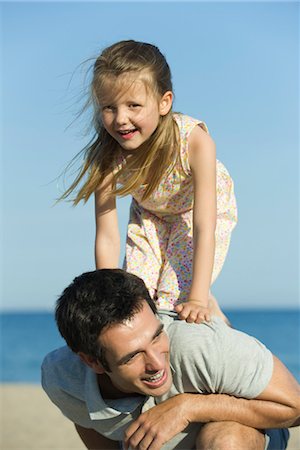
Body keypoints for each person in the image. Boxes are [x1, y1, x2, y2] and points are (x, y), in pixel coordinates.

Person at [60, 40, 238, 323]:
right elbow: (107, 235)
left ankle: (215, 316)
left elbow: (205, 225)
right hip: (151, 215)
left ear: (164, 102)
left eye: (134, 105)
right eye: (109, 107)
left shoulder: (195, 141)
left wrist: (198, 297)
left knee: (173, 297)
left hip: (197, 215)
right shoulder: (107, 156)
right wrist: (108, 299)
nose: (121, 119)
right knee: (134, 295)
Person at [42, 269, 300, 450]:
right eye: (133, 356)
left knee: (225, 440)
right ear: (92, 362)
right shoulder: (63, 378)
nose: (156, 364)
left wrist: (188, 407)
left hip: (243, 433)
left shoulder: (198, 347)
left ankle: (223, 321)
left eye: (156, 337)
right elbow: (87, 422)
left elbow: (295, 408)